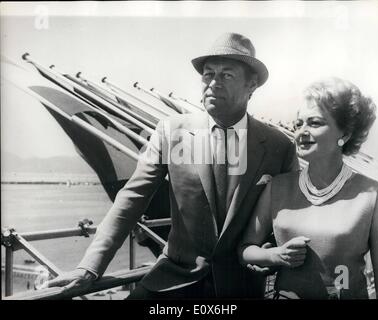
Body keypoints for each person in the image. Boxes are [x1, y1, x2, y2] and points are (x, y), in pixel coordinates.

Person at [47, 32, 298, 299]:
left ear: (252, 85)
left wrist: (267, 254)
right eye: (208, 74)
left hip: (242, 287)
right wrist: (90, 267)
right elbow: (132, 199)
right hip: (173, 282)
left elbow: (290, 218)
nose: (213, 83)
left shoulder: (278, 146)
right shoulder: (172, 132)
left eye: (227, 75)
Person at [239, 77, 378, 299]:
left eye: (314, 123)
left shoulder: (371, 194)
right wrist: (275, 256)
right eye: (299, 124)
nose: (301, 132)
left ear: (344, 134)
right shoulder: (277, 187)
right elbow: (245, 249)